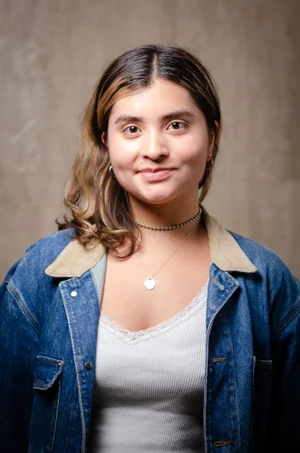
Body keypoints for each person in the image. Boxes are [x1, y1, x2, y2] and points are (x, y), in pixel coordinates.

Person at [0, 44, 299, 453]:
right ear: (105, 142)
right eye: (131, 128)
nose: (154, 149)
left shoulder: (266, 284)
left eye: (176, 125)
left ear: (212, 136)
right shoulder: (40, 274)